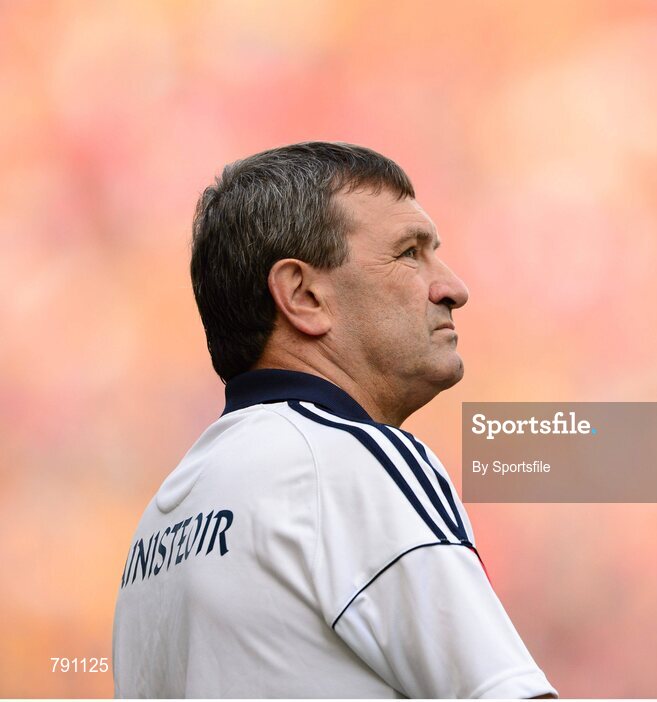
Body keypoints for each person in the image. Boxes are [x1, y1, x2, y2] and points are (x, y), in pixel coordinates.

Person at [112, 142, 557, 699]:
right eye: (409, 253)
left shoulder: (157, 529)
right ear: (303, 295)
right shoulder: (348, 462)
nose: (452, 288)